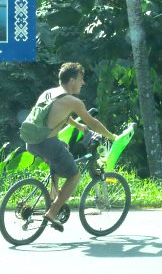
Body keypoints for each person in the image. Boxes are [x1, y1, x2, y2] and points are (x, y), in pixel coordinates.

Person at [25, 62, 117, 232]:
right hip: (47, 143)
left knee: (63, 148)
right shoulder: (73, 101)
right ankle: (52, 212)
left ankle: (53, 195)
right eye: (81, 79)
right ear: (72, 80)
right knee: (74, 176)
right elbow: (93, 122)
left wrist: (79, 127)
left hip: (31, 141)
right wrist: (112, 136)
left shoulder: (49, 93)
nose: (83, 83)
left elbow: (59, 116)